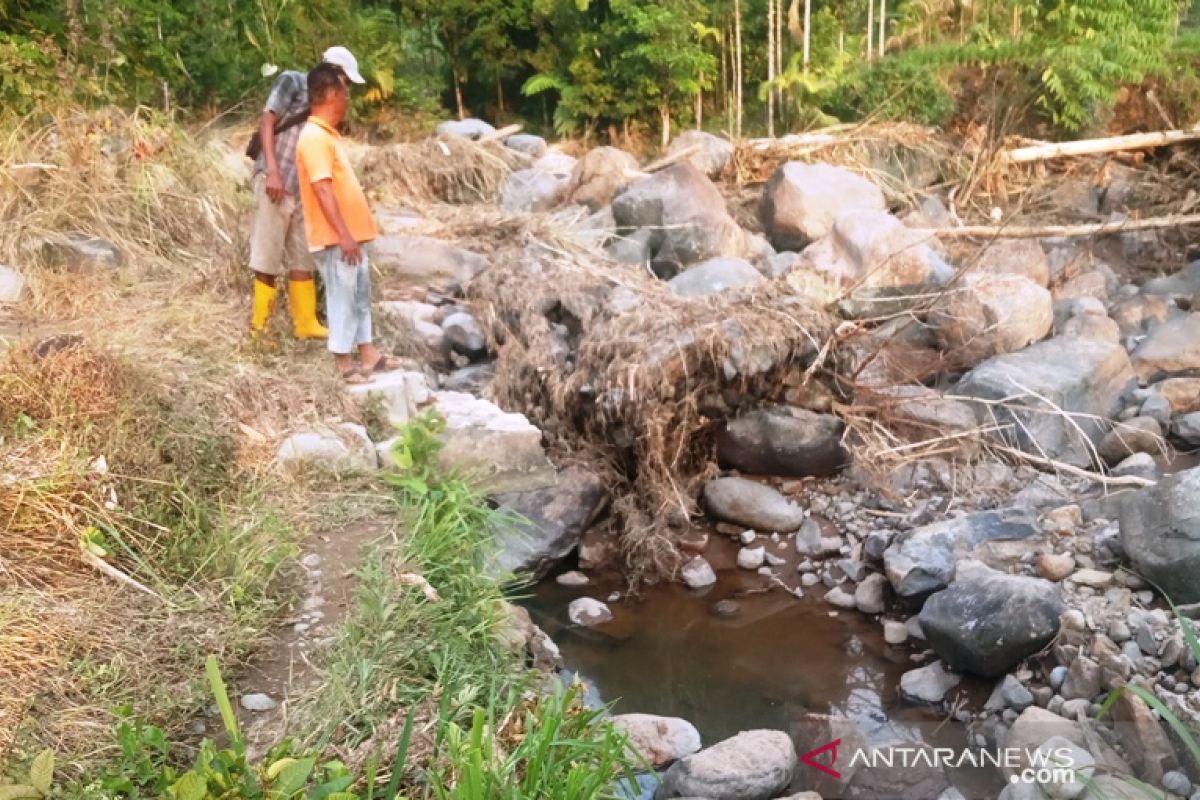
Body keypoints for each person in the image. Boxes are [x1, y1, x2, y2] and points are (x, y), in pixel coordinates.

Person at [295, 61, 402, 383]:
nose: (347, 98)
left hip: (348, 236)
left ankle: (368, 354)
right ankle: (343, 363)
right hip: (335, 238)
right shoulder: (314, 137)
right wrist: (343, 234)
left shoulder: (327, 136)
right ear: (329, 94)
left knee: (359, 294)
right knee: (342, 297)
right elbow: (322, 188)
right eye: (343, 91)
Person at [248, 46, 364, 339]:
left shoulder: (329, 105)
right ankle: (261, 329)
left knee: (302, 257)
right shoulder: (292, 81)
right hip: (275, 180)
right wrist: (272, 171)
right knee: (268, 255)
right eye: (345, 81)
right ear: (333, 72)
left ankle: (305, 323)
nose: (345, 89)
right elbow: (267, 120)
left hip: (302, 189)